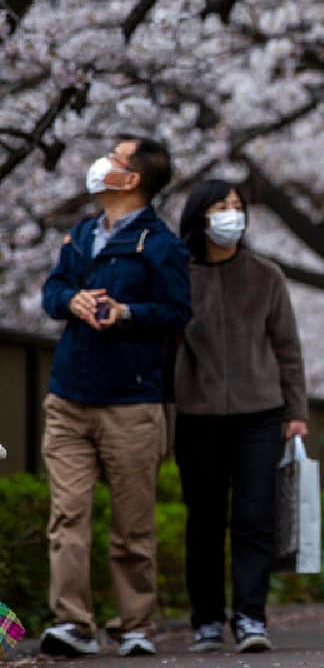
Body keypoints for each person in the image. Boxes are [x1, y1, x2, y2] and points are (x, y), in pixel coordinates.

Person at [39, 137, 191, 657]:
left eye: (115, 157)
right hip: (69, 395)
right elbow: (51, 293)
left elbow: (177, 313)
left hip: (132, 402)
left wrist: (126, 313)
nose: (101, 161)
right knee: (67, 516)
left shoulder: (161, 245)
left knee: (132, 524)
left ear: (132, 179)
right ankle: (72, 622)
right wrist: (72, 300)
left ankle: (135, 625)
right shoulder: (81, 234)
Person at [173, 179, 309, 653]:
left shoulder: (265, 276)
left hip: (260, 413)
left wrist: (296, 411)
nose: (232, 215)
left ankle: (251, 616)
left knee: (255, 516)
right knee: (204, 519)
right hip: (196, 413)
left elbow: (287, 348)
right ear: (199, 217)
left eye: (237, 206)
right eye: (220, 206)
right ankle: (207, 620)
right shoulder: (178, 277)